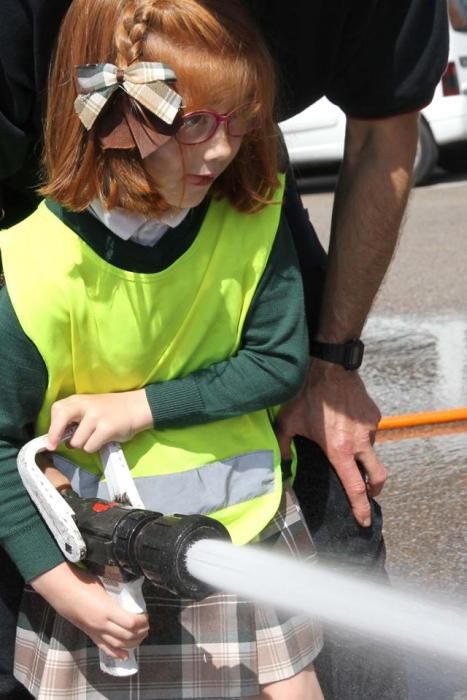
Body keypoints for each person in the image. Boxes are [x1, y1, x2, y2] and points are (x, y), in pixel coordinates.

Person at [0, 1, 449, 699]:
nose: (218, 149)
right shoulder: (33, 269)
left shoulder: (250, 213)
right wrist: (62, 588)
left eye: (243, 120)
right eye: (196, 124)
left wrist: (329, 358)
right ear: (111, 113)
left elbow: (276, 357)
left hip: (248, 529)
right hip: (98, 565)